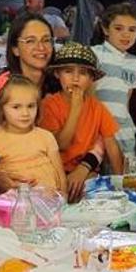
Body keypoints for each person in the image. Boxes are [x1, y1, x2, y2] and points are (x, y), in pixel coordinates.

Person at [38, 42, 123, 191]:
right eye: (68, 71)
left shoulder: (97, 107)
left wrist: (122, 182)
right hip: (55, 171)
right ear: (57, 74)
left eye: (83, 73)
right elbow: (60, 145)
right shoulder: (49, 105)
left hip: (87, 170)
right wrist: (76, 109)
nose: (75, 78)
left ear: (91, 79)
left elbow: (111, 145)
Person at [0, 72, 66, 194]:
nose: (25, 113)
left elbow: (61, 176)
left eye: (30, 106)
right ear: (1, 108)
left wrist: (63, 198)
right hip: (13, 205)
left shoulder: (45, 136)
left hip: (51, 205)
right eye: (16, 107)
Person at [91, 3, 136, 157]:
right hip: (97, 127)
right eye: (118, 28)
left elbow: (126, 100)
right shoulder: (95, 54)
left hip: (124, 129)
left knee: (124, 176)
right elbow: (89, 95)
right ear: (106, 29)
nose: (126, 35)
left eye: (132, 30)